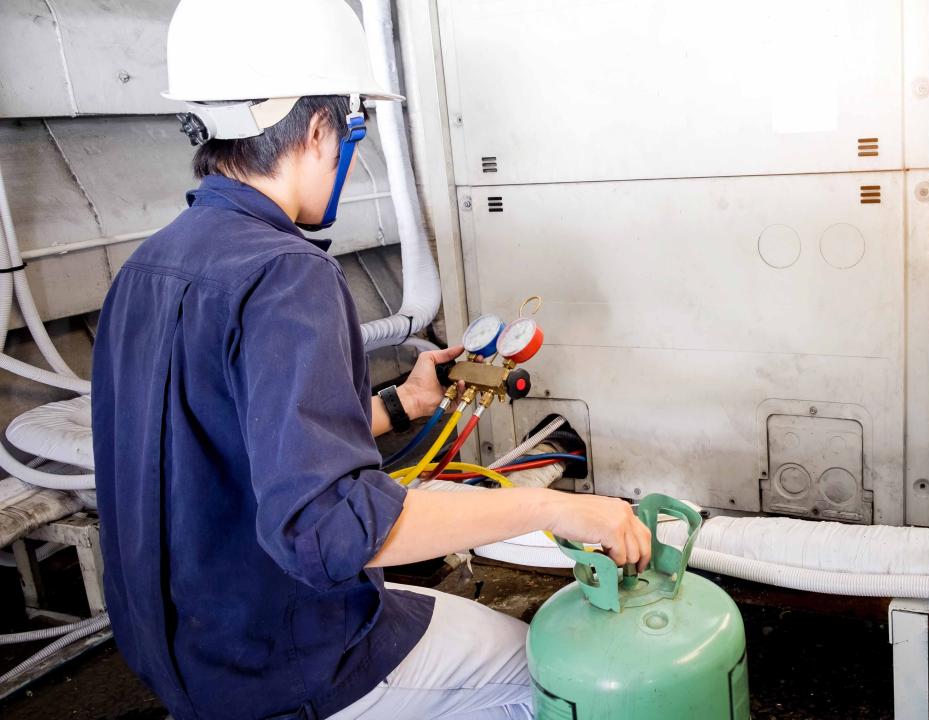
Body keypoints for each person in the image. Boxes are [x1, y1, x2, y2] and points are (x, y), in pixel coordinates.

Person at [90, 1, 651, 718]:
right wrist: (559, 511)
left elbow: (228, 448)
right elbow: (329, 535)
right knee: (548, 674)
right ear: (323, 126)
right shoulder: (287, 274)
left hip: (187, 653)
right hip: (288, 666)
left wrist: (400, 407)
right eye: (354, 128)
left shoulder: (146, 268)